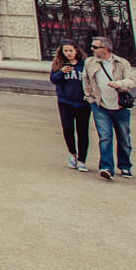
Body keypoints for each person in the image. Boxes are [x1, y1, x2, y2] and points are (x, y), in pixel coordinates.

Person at [82, 36, 135, 180]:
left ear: (105, 48)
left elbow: (131, 80)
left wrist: (119, 83)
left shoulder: (122, 63)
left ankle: (125, 166)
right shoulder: (90, 62)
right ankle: (106, 167)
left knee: (124, 138)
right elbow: (86, 80)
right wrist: (90, 98)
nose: (92, 49)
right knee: (105, 137)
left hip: (120, 106)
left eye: (95, 47)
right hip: (100, 105)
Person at [49, 42, 92, 172]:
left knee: (82, 131)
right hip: (65, 102)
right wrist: (61, 72)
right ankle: (72, 154)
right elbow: (53, 79)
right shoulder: (59, 64)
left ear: (76, 50)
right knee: (68, 129)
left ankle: (82, 159)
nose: (68, 53)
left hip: (82, 102)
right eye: (65, 51)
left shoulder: (85, 65)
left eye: (70, 50)